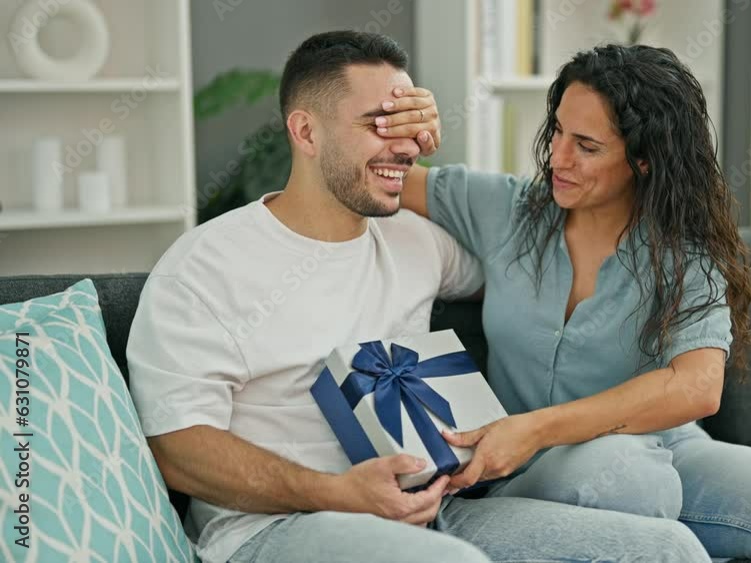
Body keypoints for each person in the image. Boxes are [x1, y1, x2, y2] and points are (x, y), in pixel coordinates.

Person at [127, 31, 713, 563]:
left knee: (671, 550)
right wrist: (335, 492)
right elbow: (178, 448)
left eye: (406, 125)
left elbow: (533, 268)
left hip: (437, 508)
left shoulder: (415, 240)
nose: (403, 146)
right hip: (281, 526)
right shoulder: (204, 267)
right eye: (377, 125)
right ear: (305, 131)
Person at [397, 44, 751, 562]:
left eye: (587, 146)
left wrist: (532, 428)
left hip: (669, 452)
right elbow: (371, 175)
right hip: (540, 475)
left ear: (643, 159)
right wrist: (409, 128)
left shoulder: (685, 253)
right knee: (626, 476)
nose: (558, 158)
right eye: (557, 132)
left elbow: (698, 387)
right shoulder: (505, 210)